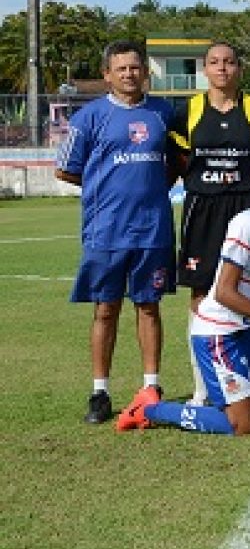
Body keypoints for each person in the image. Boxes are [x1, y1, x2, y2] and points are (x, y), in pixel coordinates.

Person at [118, 151, 250, 435]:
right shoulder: (249, 223)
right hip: (221, 332)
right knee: (242, 426)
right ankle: (148, 408)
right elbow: (224, 293)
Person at [55, 40, 177, 424]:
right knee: (105, 309)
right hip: (106, 230)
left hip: (153, 228)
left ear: (145, 72)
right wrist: (101, 188)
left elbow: (177, 162)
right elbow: (65, 169)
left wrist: (155, 189)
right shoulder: (88, 119)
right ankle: (100, 392)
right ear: (107, 75)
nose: (129, 74)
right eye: (121, 68)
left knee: (149, 306)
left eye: (135, 67)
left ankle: (151, 387)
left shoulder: (164, 114)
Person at [171, 41, 250, 405]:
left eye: (229, 62)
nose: (222, 68)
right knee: (201, 296)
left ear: (239, 68)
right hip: (203, 211)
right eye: (215, 62)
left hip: (245, 209)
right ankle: (203, 386)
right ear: (205, 69)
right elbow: (180, 161)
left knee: (248, 293)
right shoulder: (189, 111)